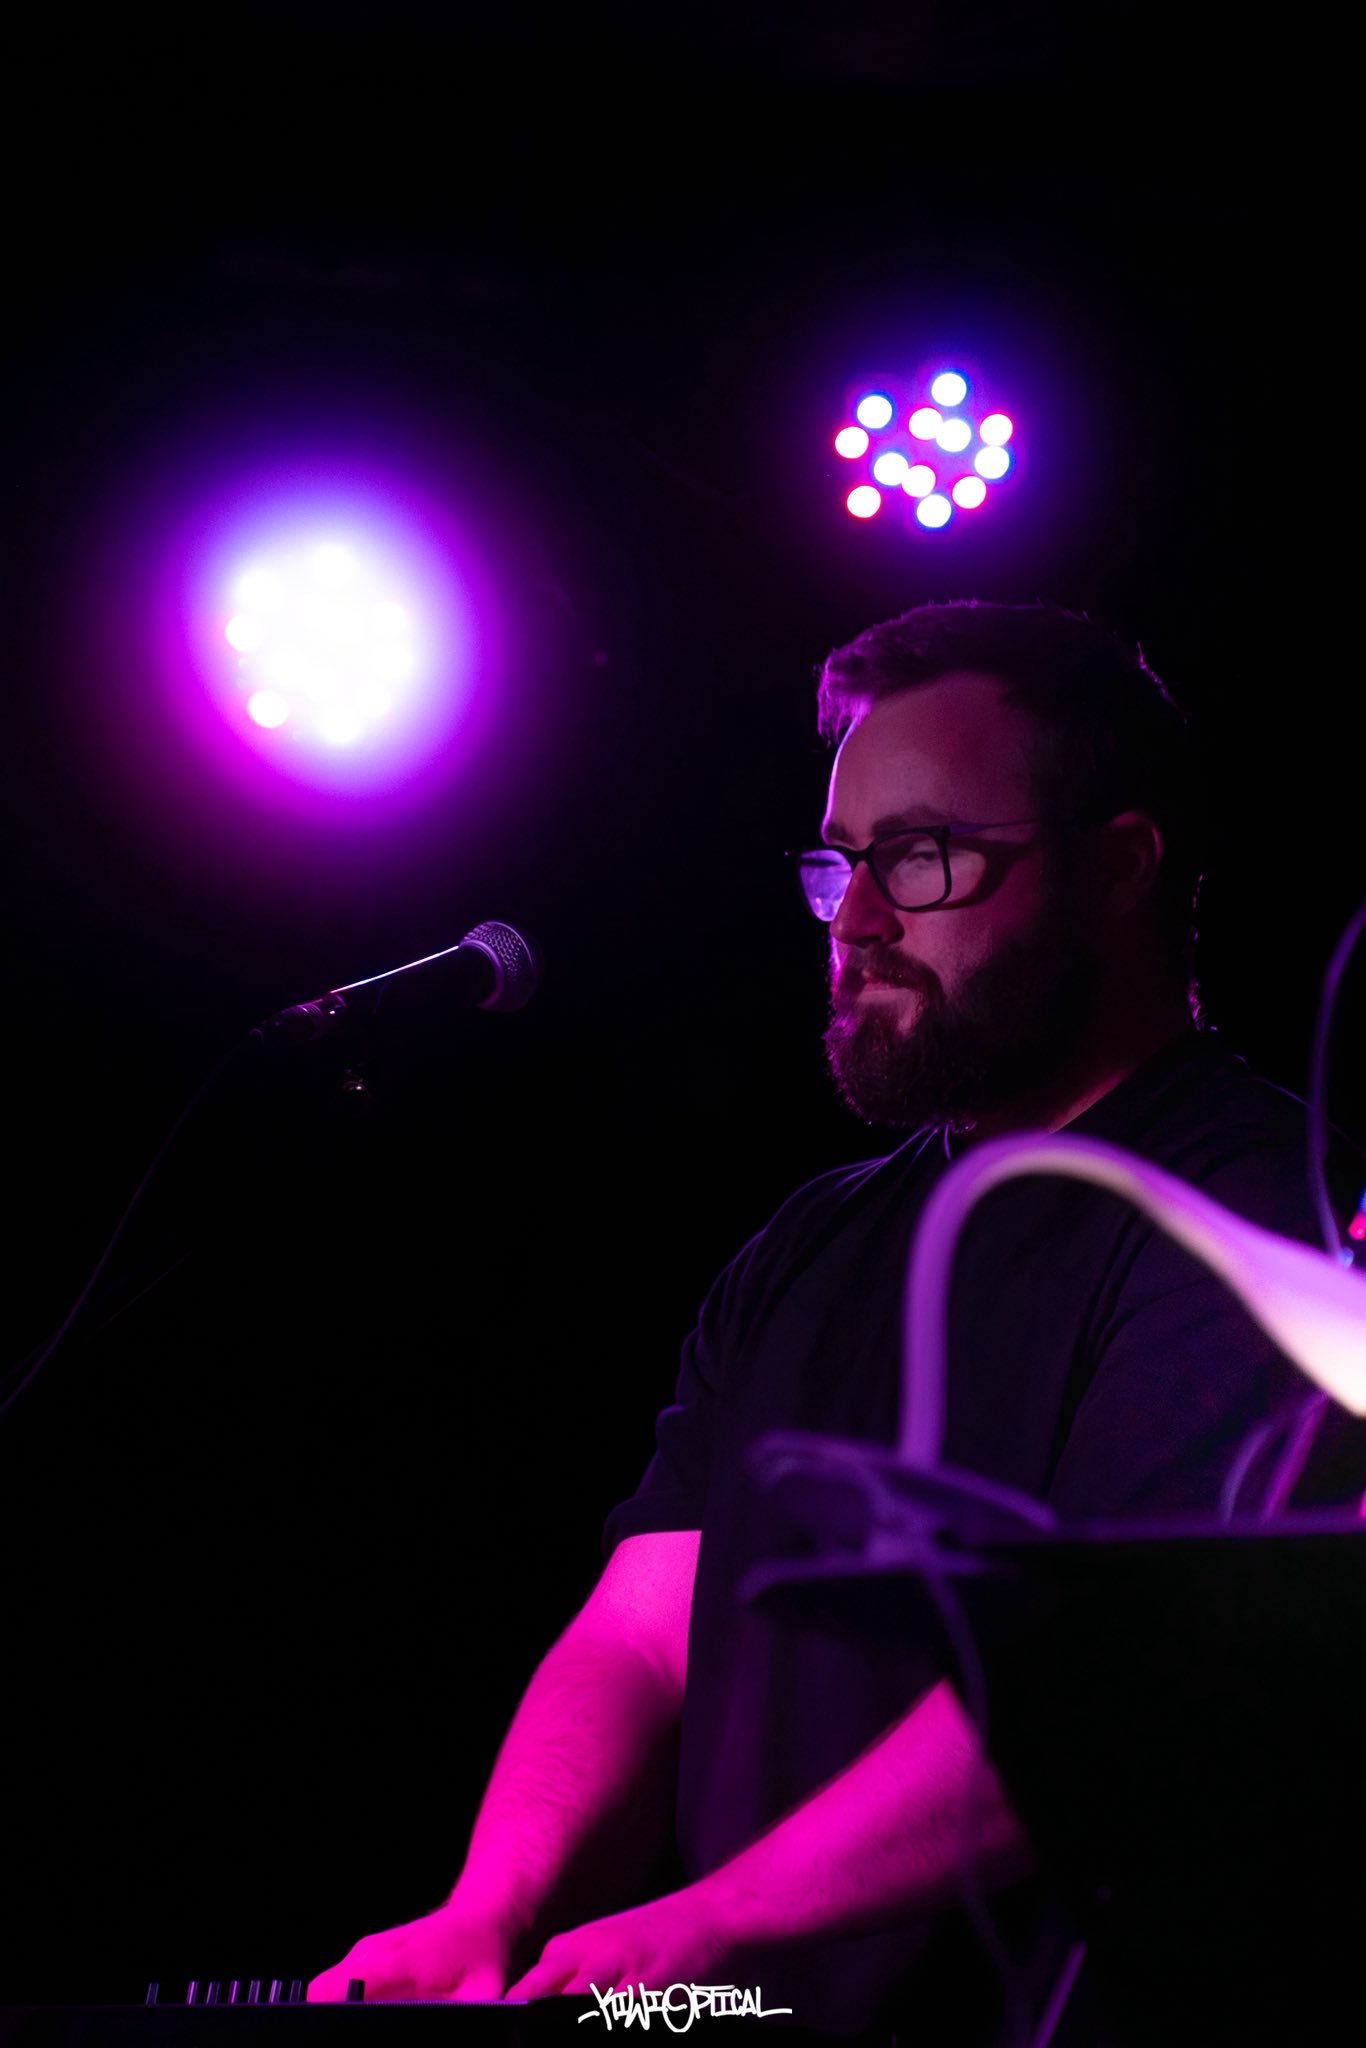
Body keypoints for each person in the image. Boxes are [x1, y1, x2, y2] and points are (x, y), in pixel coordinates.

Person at [307, 601, 1364, 2040]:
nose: (855, 919)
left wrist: (712, 1921)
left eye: (921, 857)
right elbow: (642, 1632)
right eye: (838, 863)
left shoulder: (1259, 1214)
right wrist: (491, 1911)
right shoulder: (809, 1245)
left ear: (1117, 867)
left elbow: (1114, 1690)